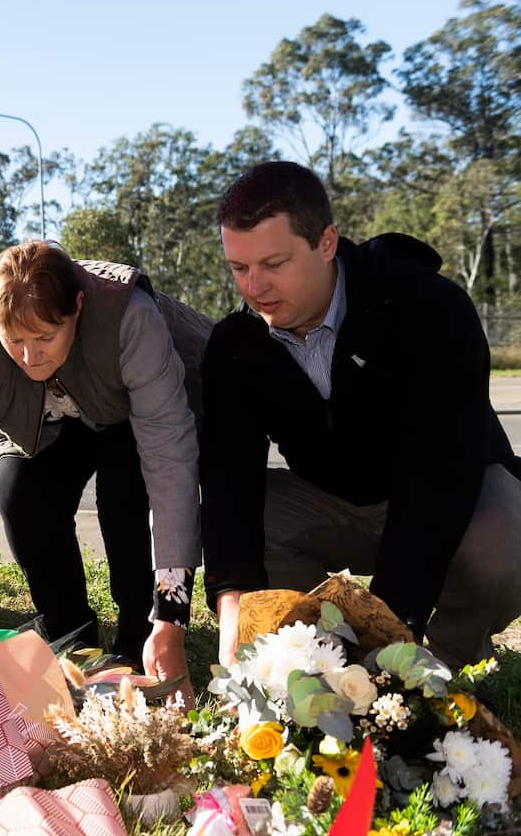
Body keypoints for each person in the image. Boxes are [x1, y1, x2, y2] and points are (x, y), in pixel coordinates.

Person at [201, 161, 521, 671]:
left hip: (450, 492)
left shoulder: (428, 307)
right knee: (235, 518)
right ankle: (313, 656)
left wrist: (390, 630)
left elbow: (439, 478)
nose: (254, 286)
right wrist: (233, 608)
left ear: (326, 243)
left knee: (508, 537)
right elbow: (228, 481)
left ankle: (442, 664)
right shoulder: (234, 346)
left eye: (274, 263)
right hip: (332, 504)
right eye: (239, 268)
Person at [0, 241, 209, 689]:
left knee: (127, 494)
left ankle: (141, 634)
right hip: (45, 419)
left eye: (45, 338)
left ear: (77, 307)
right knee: (18, 490)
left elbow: (168, 459)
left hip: (132, 412)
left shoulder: (130, 316)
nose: (29, 357)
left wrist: (171, 615)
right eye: (15, 340)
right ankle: (70, 630)